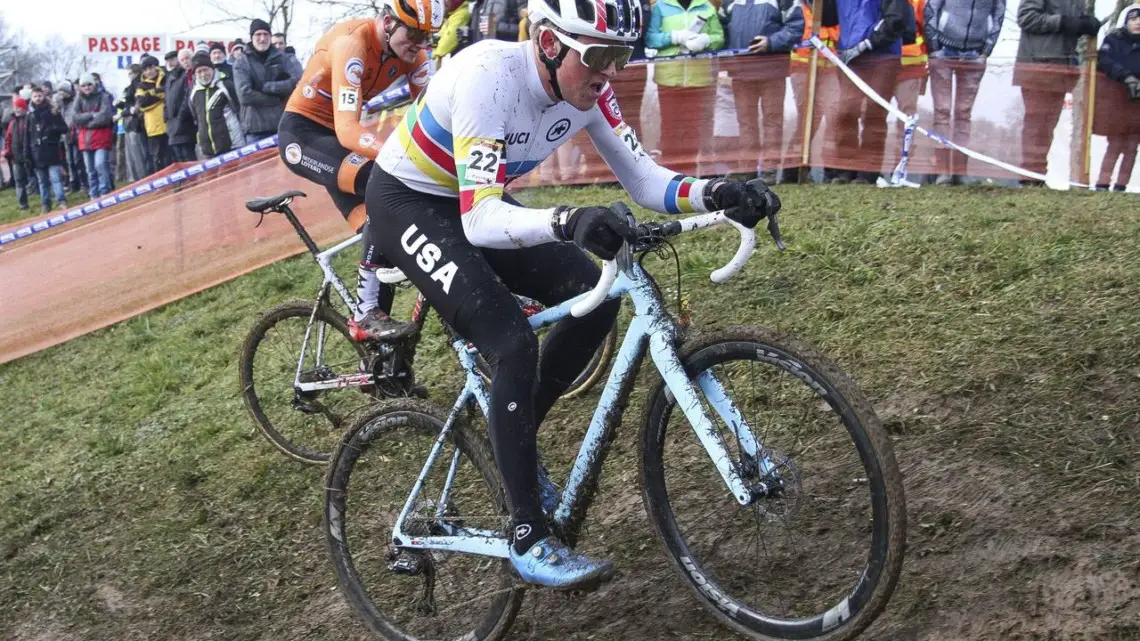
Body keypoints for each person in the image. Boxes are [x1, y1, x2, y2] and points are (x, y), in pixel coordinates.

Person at [367, 0, 780, 589]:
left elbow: (645, 181)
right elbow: (481, 221)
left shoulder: (588, 91)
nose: (609, 71)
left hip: (475, 202)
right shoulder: (488, 75)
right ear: (549, 43)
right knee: (510, 342)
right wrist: (566, 220)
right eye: (598, 56)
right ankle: (528, 534)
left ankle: (515, 440)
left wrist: (719, 192)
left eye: (620, 56)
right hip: (408, 203)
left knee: (598, 293)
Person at [279, 0, 437, 341]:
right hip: (304, 135)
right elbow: (348, 131)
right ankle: (365, 313)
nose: (420, 44)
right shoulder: (353, 42)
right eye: (413, 33)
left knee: (384, 240)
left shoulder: (415, 55)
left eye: (427, 36)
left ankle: (384, 365)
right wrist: (397, 156)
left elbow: (436, 117)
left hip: (339, 143)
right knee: (386, 184)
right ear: (387, 22)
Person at [1015, 0, 1101, 186]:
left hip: (1062, 67)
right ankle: (1029, 176)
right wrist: (1064, 22)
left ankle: (1038, 176)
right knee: (1035, 125)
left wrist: (1083, 24)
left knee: (1047, 126)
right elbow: (1026, 17)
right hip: (1036, 65)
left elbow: (1071, 26)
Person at [722, 0, 805, 181]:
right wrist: (726, 57)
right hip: (741, 70)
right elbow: (722, 28)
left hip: (772, 68)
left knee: (772, 120)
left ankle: (770, 170)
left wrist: (771, 42)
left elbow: (797, 27)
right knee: (745, 121)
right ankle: (747, 168)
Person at [924, 0, 1005, 184]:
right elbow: (931, 8)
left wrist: (986, 50)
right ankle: (942, 171)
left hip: (974, 54)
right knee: (942, 111)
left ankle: (960, 171)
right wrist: (934, 45)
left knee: (963, 113)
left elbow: (999, 14)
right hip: (943, 50)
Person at [830, 0, 909, 184]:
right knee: (846, 111)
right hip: (849, 57)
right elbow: (827, 17)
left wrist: (867, 44)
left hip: (882, 56)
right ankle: (844, 169)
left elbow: (896, 19)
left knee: (874, 113)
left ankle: (868, 173)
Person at [645, 0, 726, 175]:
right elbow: (651, 38)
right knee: (670, 127)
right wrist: (674, 37)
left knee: (695, 128)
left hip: (699, 78)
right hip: (669, 78)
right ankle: (671, 173)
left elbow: (719, 38)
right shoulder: (660, 6)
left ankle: (691, 171)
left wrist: (706, 40)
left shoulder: (707, 7)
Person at [1094, 3, 1140, 191]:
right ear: (1126, 21)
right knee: (1115, 142)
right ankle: (1102, 183)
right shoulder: (1114, 39)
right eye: (1134, 19)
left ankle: (1121, 185)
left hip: (1138, 102)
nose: (1138, 23)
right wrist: (1126, 76)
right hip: (1116, 97)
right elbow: (1104, 60)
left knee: (1132, 144)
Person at [235, 19, 301, 141]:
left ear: (270, 37)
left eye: (266, 34)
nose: (262, 38)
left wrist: (267, 87)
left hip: (281, 126)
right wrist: (276, 99)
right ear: (251, 37)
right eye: (258, 34)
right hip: (255, 129)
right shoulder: (241, 63)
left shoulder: (284, 59)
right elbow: (244, 95)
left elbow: (296, 82)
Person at [189, 51, 246, 158]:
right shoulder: (194, 92)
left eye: (205, 70)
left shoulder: (225, 86)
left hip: (231, 145)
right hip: (208, 149)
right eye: (199, 71)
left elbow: (239, 110)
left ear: (212, 69)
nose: (203, 74)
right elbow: (196, 116)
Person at [25, 86, 70, 213]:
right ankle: (45, 204)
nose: (38, 98)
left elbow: (64, 128)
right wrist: (27, 154)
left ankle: (61, 201)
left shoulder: (52, 111)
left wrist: (52, 130)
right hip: (37, 153)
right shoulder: (30, 116)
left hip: (51, 151)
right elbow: (27, 137)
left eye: (40, 96)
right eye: (35, 96)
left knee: (55, 178)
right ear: (31, 98)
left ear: (44, 96)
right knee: (42, 181)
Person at [71, 73, 116, 198]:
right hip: (85, 141)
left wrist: (86, 123)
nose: (87, 87)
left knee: (101, 165)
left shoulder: (103, 97)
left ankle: (104, 192)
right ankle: (94, 194)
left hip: (101, 138)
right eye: (84, 85)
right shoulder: (78, 99)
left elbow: (105, 116)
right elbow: (75, 117)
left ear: (94, 84)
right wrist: (91, 115)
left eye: (89, 84)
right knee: (90, 170)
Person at [136, 54, 171, 171]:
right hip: (153, 127)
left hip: (168, 123)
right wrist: (159, 94)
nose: (149, 71)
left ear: (155, 67)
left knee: (171, 156)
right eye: (145, 69)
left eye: (150, 68)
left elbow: (170, 94)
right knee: (157, 158)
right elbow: (142, 103)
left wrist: (151, 94)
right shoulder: (141, 86)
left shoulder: (167, 77)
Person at [164, 48, 198, 162]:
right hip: (173, 124)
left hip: (185, 123)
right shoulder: (171, 78)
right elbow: (166, 98)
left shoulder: (188, 76)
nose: (185, 62)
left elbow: (187, 97)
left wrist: (181, 116)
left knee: (188, 157)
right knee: (178, 158)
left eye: (187, 58)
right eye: (182, 60)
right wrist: (166, 117)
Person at [2, 97, 31, 209]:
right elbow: (8, 139)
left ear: (24, 108)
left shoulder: (29, 120)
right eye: (15, 107)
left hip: (29, 154)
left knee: (36, 178)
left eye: (19, 107)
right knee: (19, 181)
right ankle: (23, 204)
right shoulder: (12, 123)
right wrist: (8, 151)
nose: (17, 110)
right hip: (16, 156)